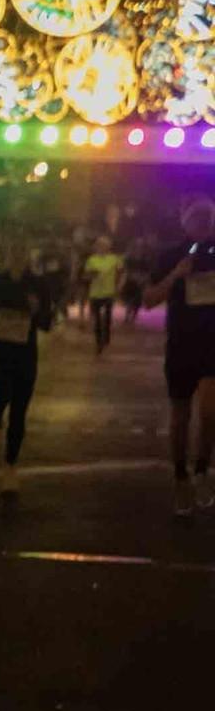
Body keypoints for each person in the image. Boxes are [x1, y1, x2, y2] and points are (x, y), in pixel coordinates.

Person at [142, 199, 215, 517]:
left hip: (212, 343)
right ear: (185, 222)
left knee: (211, 411)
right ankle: (180, 476)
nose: (202, 224)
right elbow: (148, 300)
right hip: (181, 344)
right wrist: (176, 275)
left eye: (207, 219)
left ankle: (201, 470)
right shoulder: (170, 254)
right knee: (180, 416)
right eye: (196, 219)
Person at [0, 231, 52, 508]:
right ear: (6, 254)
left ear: (28, 254)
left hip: (24, 354)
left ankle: (10, 467)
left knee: (20, 409)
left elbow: (47, 322)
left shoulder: (38, 285)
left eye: (23, 250)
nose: (18, 255)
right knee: (0, 397)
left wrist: (36, 311)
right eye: (13, 250)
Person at [83, 235, 124, 354]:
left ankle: (106, 336)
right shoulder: (91, 260)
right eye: (99, 245)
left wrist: (119, 285)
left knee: (107, 317)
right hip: (95, 293)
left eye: (104, 245)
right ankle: (98, 341)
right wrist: (92, 274)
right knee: (97, 319)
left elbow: (120, 272)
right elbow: (86, 276)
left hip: (109, 292)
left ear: (109, 247)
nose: (101, 247)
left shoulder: (114, 259)